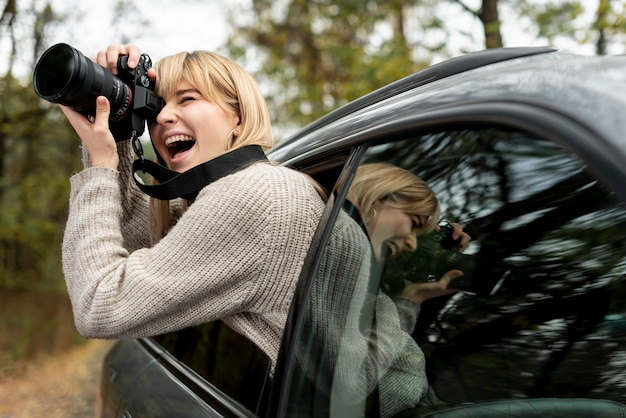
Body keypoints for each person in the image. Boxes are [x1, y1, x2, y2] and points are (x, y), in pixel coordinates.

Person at [59, 44, 326, 369]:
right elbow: (130, 222)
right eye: (156, 105)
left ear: (239, 118)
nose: (162, 116)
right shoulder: (261, 186)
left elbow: (99, 306)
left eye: (187, 99)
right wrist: (115, 132)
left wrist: (101, 167)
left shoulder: (255, 194)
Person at [297, 163, 470, 417]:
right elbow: (351, 384)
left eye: (419, 234)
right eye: (413, 223)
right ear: (376, 198)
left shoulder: (357, 268)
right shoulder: (338, 254)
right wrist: (409, 301)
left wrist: (419, 290)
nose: (411, 244)